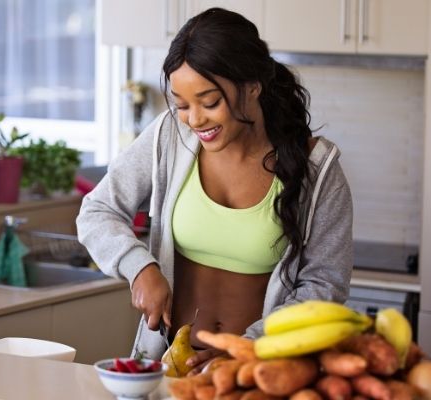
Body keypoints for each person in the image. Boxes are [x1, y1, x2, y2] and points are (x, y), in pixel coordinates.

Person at [76, 7, 353, 373]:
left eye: (209, 102)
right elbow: (97, 211)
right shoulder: (170, 135)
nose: (195, 120)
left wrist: (246, 349)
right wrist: (140, 267)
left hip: (258, 374)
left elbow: (324, 286)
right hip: (167, 369)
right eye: (182, 105)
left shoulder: (316, 168)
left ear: (253, 86)